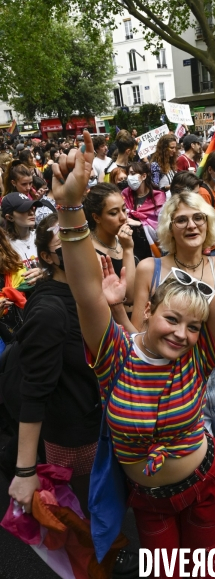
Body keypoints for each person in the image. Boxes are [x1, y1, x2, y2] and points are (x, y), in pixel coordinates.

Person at [48, 131, 215, 577]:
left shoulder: (199, 356)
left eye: (194, 327)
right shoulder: (115, 354)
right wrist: (71, 209)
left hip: (208, 486)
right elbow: (84, 293)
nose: (182, 334)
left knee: (204, 570)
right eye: (172, 320)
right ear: (148, 309)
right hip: (149, 502)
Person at [7, 214, 103, 516]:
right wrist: (25, 471)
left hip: (98, 417)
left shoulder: (89, 292)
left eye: (82, 236)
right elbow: (34, 391)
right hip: (73, 433)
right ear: (48, 257)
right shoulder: (50, 310)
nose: (79, 247)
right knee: (81, 508)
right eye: (66, 242)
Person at [83, 183, 136, 304]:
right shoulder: (90, 251)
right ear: (97, 218)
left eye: (124, 209)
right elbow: (128, 297)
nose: (123, 217)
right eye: (113, 213)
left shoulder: (129, 235)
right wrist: (128, 249)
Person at [121, 160, 165, 261]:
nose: (129, 177)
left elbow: (160, 225)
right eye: (128, 174)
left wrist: (140, 224)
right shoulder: (125, 194)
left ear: (144, 176)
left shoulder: (158, 197)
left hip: (152, 247)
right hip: (131, 244)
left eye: (132, 174)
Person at [2, 193, 44, 284]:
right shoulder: (4, 245)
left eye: (32, 207)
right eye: (24, 209)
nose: (31, 212)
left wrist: (44, 273)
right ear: (10, 217)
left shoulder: (42, 237)